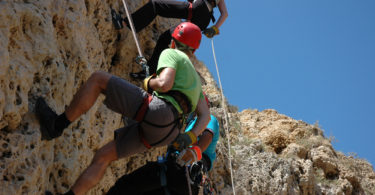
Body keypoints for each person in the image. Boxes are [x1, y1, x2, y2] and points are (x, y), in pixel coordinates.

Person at [36, 22, 210, 195]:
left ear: (173, 40)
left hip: (161, 112)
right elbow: (205, 117)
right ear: (193, 50)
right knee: (104, 156)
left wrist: (148, 82)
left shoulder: (172, 53)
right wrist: (190, 136)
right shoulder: (196, 81)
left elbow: (164, 84)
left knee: (98, 80)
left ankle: (56, 125)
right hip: (168, 133)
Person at [111, 0, 228, 79]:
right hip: (203, 20)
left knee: (156, 5)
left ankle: (123, 23)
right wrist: (214, 29)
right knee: (166, 39)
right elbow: (225, 13)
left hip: (198, 8)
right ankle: (151, 72)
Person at [106, 114, 220, 195]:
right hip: (184, 182)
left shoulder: (208, 118)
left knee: (125, 186)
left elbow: (207, 136)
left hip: (180, 170)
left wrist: (194, 152)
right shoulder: (188, 124)